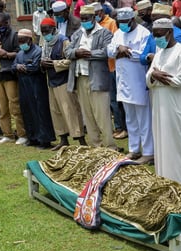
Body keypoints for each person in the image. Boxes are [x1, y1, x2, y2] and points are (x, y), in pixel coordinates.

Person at [146, 18, 181, 191]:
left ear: (169, 33)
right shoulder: (159, 51)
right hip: (161, 106)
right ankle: (166, 182)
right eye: (154, 35)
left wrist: (159, 76)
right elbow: (149, 78)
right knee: (164, 144)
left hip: (178, 106)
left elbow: (180, 80)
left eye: (159, 35)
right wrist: (155, 76)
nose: (157, 39)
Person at [65, 5, 118, 151]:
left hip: (97, 79)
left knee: (102, 115)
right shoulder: (77, 34)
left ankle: (110, 147)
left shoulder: (104, 33)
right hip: (80, 77)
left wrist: (88, 54)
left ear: (94, 18)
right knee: (87, 114)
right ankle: (96, 146)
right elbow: (67, 51)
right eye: (82, 19)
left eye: (87, 19)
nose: (84, 21)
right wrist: (76, 52)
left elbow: (107, 51)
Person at [107, 7, 154, 164]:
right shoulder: (119, 33)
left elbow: (142, 55)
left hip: (139, 82)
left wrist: (124, 52)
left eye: (125, 22)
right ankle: (134, 150)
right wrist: (119, 49)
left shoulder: (144, 33)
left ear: (133, 20)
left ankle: (148, 152)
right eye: (120, 23)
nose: (123, 25)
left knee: (144, 119)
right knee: (130, 119)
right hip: (123, 83)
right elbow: (109, 50)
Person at [40, 17, 86, 151]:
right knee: (56, 112)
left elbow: (70, 60)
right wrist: (42, 64)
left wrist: (54, 64)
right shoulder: (45, 43)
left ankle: (81, 141)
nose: (45, 34)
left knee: (70, 111)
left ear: (54, 29)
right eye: (42, 32)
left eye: (47, 31)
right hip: (52, 81)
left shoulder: (63, 41)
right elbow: (43, 58)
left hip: (64, 81)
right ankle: (63, 139)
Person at [0, 12, 27, 145]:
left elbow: (20, 52)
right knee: (2, 106)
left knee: (14, 105)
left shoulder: (14, 36)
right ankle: (7, 134)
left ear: (7, 23)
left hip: (10, 74)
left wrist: (6, 54)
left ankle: (22, 134)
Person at [12, 29, 55, 149]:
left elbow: (35, 67)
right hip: (24, 86)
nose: (21, 44)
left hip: (36, 86)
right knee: (27, 111)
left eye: (23, 41)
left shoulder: (38, 51)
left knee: (40, 112)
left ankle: (44, 140)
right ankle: (32, 138)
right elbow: (13, 65)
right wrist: (17, 67)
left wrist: (23, 67)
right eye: (19, 41)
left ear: (29, 40)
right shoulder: (20, 53)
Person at [90, 1, 127, 140]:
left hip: (114, 66)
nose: (94, 18)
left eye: (95, 15)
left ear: (100, 12)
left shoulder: (111, 23)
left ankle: (122, 127)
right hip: (103, 68)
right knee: (111, 100)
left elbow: (113, 45)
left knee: (118, 99)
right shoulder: (95, 25)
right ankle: (118, 126)